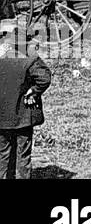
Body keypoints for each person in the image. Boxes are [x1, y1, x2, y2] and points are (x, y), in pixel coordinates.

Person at [0, 22, 52, 179]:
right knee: (23, 154)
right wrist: (33, 92)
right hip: (23, 117)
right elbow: (44, 78)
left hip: (2, 117)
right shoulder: (30, 59)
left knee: (3, 154)